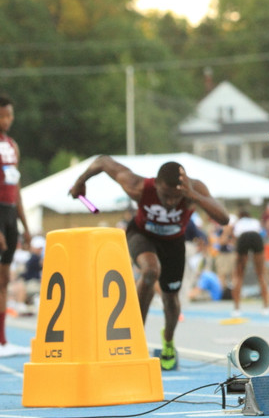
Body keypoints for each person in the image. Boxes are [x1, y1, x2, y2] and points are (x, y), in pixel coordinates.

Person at [69, 156, 230, 370]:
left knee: (171, 297)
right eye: (165, 196)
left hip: (173, 243)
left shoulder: (194, 189)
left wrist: (192, 195)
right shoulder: (138, 186)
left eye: (176, 197)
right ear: (156, 184)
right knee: (150, 271)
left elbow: (224, 218)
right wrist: (81, 181)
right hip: (142, 235)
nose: (171, 202)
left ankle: (169, 339)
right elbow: (103, 162)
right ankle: (136, 336)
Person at [0, 94, 33, 355]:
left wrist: (26, 226)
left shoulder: (12, 145)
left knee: (4, 280)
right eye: (3, 115)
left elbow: (16, 189)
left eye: (10, 115)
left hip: (11, 214)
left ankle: (2, 340)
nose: (7, 120)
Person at [228, 208, 269, 317]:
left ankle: (236, 309)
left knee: (239, 275)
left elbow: (234, 237)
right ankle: (266, 307)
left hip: (243, 238)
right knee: (261, 273)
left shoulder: (238, 223)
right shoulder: (255, 221)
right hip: (256, 237)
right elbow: (262, 233)